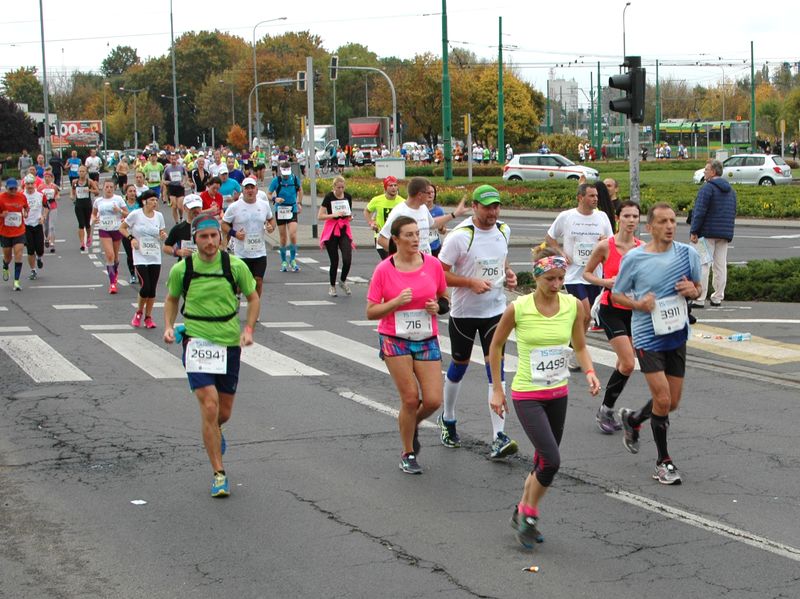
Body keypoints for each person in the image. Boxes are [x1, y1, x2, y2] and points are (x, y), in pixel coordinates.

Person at [489, 246, 601, 547]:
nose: (556, 285)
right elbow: (495, 346)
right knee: (551, 460)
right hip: (527, 393)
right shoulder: (519, 308)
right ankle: (528, 513)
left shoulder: (573, 305)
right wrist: (497, 390)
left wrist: (590, 371)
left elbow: (579, 345)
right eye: (550, 278)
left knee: (542, 460)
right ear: (537, 276)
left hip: (558, 392)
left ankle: (521, 512)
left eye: (561, 278)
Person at [163, 214, 259, 497]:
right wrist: (169, 326)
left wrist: (249, 328)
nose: (209, 242)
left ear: (221, 237)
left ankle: (215, 431)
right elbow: (171, 299)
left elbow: (254, 298)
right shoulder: (183, 269)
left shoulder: (235, 266)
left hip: (228, 343)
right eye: (203, 237)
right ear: (195, 239)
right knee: (209, 406)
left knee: (223, 413)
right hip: (196, 343)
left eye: (214, 236)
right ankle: (219, 473)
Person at [612, 203, 702, 485]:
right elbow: (616, 295)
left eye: (673, 221)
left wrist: (694, 290)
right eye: (662, 222)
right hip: (647, 336)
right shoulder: (635, 259)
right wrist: (638, 303)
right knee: (662, 399)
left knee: (672, 402)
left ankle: (634, 419)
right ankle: (664, 462)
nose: (670, 226)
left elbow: (698, 288)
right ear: (649, 227)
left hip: (676, 333)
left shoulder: (688, 254)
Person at [437, 184, 521, 458]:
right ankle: (448, 418)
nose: (493, 212)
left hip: (495, 311)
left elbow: (501, 262)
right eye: (487, 207)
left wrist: (509, 274)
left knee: (494, 370)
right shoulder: (460, 237)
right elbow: (440, 274)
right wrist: (469, 282)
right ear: (474, 207)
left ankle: (498, 436)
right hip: (464, 313)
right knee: (459, 365)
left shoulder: (504, 230)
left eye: (496, 206)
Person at [366, 216, 449, 475]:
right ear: (396, 239)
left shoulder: (432, 265)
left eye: (417, 234)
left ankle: (409, 424)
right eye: (409, 235)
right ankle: (408, 452)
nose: (415, 239)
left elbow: (444, 299)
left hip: (425, 337)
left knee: (434, 400)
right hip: (394, 338)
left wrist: (438, 307)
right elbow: (371, 311)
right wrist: (395, 303)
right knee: (411, 399)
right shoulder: (384, 269)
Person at [582, 200, 643, 433]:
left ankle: (607, 408)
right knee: (628, 362)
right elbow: (586, 273)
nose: (631, 221)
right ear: (618, 218)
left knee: (622, 364)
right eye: (626, 216)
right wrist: (605, 282)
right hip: (610, 308)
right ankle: (606, 410)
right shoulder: (605, 246)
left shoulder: (642, 248)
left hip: (634, 310)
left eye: (635, 217)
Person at [545, 183, 613, 349]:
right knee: (584, 311)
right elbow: (550, 237)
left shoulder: (602, 217)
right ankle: (575, 347)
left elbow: (611, 242)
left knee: (586, 317)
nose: (595, 199)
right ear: (580, 198)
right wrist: (560, 252)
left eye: (596, 196)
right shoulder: (567, 216)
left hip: (594, 274)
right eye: (591, 196)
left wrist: (604, 241)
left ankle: (572, 346)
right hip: (573, 274)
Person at [378, 177, 468, 256]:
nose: (431, 196)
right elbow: (382, 239)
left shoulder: (423, 207)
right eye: (428, 193)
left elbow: (433, 223)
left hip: (426, 261)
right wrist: (403, 257)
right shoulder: (400, 212)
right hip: (409, 266)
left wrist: (455, 214)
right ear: (420, 195)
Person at [689, 159, 737, 308]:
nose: (704, 172)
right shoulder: (731, 191)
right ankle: (717, 297)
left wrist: (694, 230)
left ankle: (700, 298)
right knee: (720, 265)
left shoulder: (707, 189)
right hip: (724, 233)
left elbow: (700, 211)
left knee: (703, 264)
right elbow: (733, 211)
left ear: (713, 172)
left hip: (706, 233)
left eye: (706, 169)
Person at [119, 190, 167, 329]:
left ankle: (148, 317)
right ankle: (139, 312)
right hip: (140, 256)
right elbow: (122, 228)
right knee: (145, 287)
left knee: (152, 290)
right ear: (145, 201)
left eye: (156, 200)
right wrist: (131, 239)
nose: (155, 203)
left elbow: (161, 232)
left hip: (155, 256)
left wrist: (163, 235)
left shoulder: (159, 216)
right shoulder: (136, 215)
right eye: (152, 200)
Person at [222, 178, 275, 298]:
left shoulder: (264, 205)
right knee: (240, 284)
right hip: (242, 252)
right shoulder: (234, 207)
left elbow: (271, 219)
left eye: (252, 188)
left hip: (259, 251)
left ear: (256, 189)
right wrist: (234, 233)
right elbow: (224, 224)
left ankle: (255, 307)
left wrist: (272, 227)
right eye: (247, 188)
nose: (250, 191)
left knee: (258, 280)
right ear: (242, 190)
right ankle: (235, 300)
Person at [318, 175, 354, 297]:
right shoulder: (329, 197)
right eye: (338, 187)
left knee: (347, 259)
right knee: (334, 261)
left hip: (344, 228)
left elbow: (348, 213)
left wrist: (350, 217)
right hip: (332, 230)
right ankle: (332, 286)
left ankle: (342, 281)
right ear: (334, 187)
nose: (340, 190)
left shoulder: (348, 196)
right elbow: (320, 216)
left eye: (342, 187)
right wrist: (333, 215)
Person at [92, 180, 128, 294]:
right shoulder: (98, 201)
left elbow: (127, 214)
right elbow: (93, 214)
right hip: (104, 229)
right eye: (107, 187)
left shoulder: (118, 199)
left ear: (114, 188)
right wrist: (94, 218)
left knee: (116, 257)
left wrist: (119, 211)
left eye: (111, 187)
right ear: (103, 188)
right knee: (110, 255)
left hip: (117, 229)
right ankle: (112, 283)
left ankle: (114, 272)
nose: (109, 189)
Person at [268, 161, 303, 272]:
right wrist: (275, 199)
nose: (286, 175)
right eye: (284, 173)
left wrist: (299, 203)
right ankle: (283, 261)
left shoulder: (295, 179)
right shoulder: (276, 180)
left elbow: (300, 190)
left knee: (292, 234)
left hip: (292, 208)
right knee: (283, 237)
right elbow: (268, 194)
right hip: (281, 209)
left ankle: (292, 260)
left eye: (287, 172)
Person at [364, 176, 404, 261]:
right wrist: (371, 223)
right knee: (389, 260)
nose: (393, 188)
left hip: (396, 236)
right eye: (390, 185)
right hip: (381, 235)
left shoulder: (402, 202)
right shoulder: (377, 200)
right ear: (385, 187)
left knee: (395, 262)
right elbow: (367, 211)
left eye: (395, 185)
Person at [0, 178, 28, 291]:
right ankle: (5, 265)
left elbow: (26, 207)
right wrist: (2, 215)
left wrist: (26, 212)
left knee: (19, 254)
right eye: (11, 188)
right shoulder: (1, 198)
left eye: (15, 188)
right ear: (6, 188)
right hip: (5, 232)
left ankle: (16, 281)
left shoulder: (21, 196)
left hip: (19, 230)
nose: (13, 190)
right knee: (8, 257)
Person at [22, 175, 48, 281]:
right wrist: (23, 214)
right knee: (30, 250)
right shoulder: (21, 195)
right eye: (27, 184)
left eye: (31, 183)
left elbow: (46, 207)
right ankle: (33, 270)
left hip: (37, 224)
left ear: (35, 184)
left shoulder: (40, 195)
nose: (30, 186)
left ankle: (39, 257)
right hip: (26, 225)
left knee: (40, 249)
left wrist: (44, 216)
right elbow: (18, 208)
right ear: (24, 185)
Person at [164, 193, 204, 260]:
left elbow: (220, 245)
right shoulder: (178, 228)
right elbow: (166, 247)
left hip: (205, 266)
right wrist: (178, 252)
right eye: (192, 207)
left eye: (198, 207)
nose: (196, 210)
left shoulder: (209, 227)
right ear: (185, 208)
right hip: (185, 266)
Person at [71, 165, 98, 252]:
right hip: (78, 205)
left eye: (83, 171)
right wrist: (72, 195)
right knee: (81, 224)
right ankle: (82, 243)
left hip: (87, 205)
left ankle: (89, 237)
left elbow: (97, 192)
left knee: (87, 224)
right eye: (80, 171)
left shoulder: (89, 182)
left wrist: (90, 190)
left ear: (86, 172)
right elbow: (73, 190)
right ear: (78, 172)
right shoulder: (75, 182)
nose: (81, 173)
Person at [121, 184, 140, 283]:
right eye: (130, 191)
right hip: (127, 233)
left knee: (140, 253)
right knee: (130, 255)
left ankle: (140, 273)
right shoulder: (123, 204)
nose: (133, 193)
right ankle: (132, 274)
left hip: (139, 233)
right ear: (126, 193)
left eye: (134, 191)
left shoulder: (140, 204)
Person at [163, 152, 189, 223]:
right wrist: (166, 182)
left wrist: (184, 182)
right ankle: (176, 222)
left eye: (174, 159)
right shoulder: (167, 169)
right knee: (174, 206)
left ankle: (181, 217)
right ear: (170, 160)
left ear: (176, 159)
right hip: (171, 188)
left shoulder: (181, 167)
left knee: (180, 206)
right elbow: (163, 179)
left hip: (180, 187)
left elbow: (186, 175)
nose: (173, 161)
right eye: (172, 159)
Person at [38, 168, 60, 253]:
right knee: (46, 227)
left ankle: (52, 244)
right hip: (44, 207)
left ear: (51, 178)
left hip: (53, 206)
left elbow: (57, 193)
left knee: (52, 226)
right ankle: (46, 239)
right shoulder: (40, 187)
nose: (47, 178)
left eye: (48, 177)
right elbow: (38, 196)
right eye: (45, 176)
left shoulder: (54, 186)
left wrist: (57, 196)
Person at [425, 184, 447, 258]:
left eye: (432, 192)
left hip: (435, 247)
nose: (430, 194)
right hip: (422, 247)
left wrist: (440, 228)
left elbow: (443, 231)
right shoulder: (418, 209)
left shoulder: (439, 211)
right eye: (428, 192)